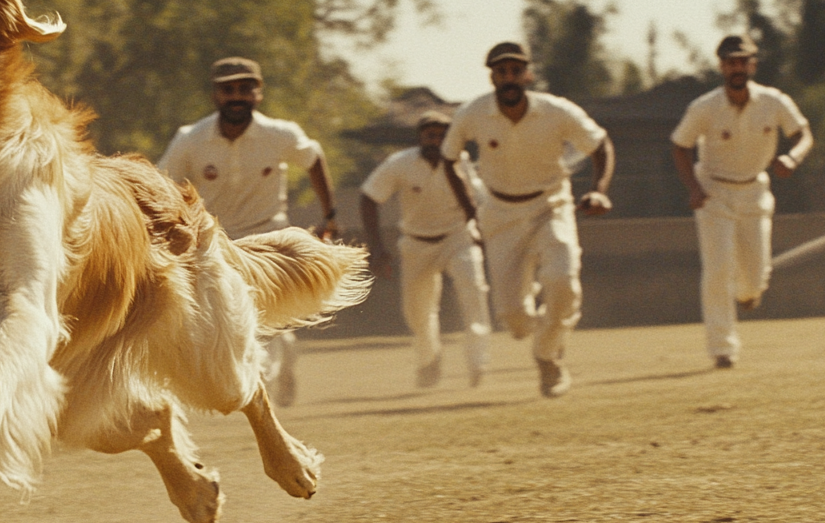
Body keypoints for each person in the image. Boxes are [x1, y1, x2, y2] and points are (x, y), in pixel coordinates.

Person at [157, 56, 338, 406]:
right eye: (228, 90)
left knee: (272, 322)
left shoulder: (279, 134)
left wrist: (329, 215)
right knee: (221, 325)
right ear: (215, 94)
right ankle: (260, 387)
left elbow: (313, 158)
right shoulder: (190, 139)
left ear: (259, 93)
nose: (236, 96)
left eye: (245, 88)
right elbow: (164, 185)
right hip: (213, 244)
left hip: (269, 237)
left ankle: (264, 392)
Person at [440, 42, 614, 398]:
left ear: (528, 74)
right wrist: (471, 210)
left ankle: (548, 357)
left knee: (564, 281)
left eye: (515, 71)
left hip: (551, 204)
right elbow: (448, 158)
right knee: (514, 320)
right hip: (499, 215)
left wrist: (599, 190)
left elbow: (600, 145)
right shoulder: (473, 113)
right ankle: (541, 326)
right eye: (501, 72)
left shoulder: (556, 111)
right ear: (492, 77)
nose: (509, 78)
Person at [671, 34, 813, 369]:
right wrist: (693, 187)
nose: (737, 67)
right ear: (721, 66)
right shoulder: (704, 107)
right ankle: (723, 348)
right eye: (730, 61)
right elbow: (680, 145)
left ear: (752, 64)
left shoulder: (773, 101)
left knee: (755, 276)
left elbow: (803, 134)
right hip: (714, 192)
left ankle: (749, 292)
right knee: (718, 268)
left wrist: (792, 158)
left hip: (754, 191)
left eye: (742, 61)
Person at [359, 111, 491, 388]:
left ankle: (478, 362)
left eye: (444, 135)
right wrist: (377, 247)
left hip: (458, 238)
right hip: (416, 244)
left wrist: (479, 230)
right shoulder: (400, 163)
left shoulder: (460, 160)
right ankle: (428, 361)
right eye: (431, 134)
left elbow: (476, 200)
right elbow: (369, 197)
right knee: (418, 313)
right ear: (420, 137)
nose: (437, 140)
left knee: (473, 290)